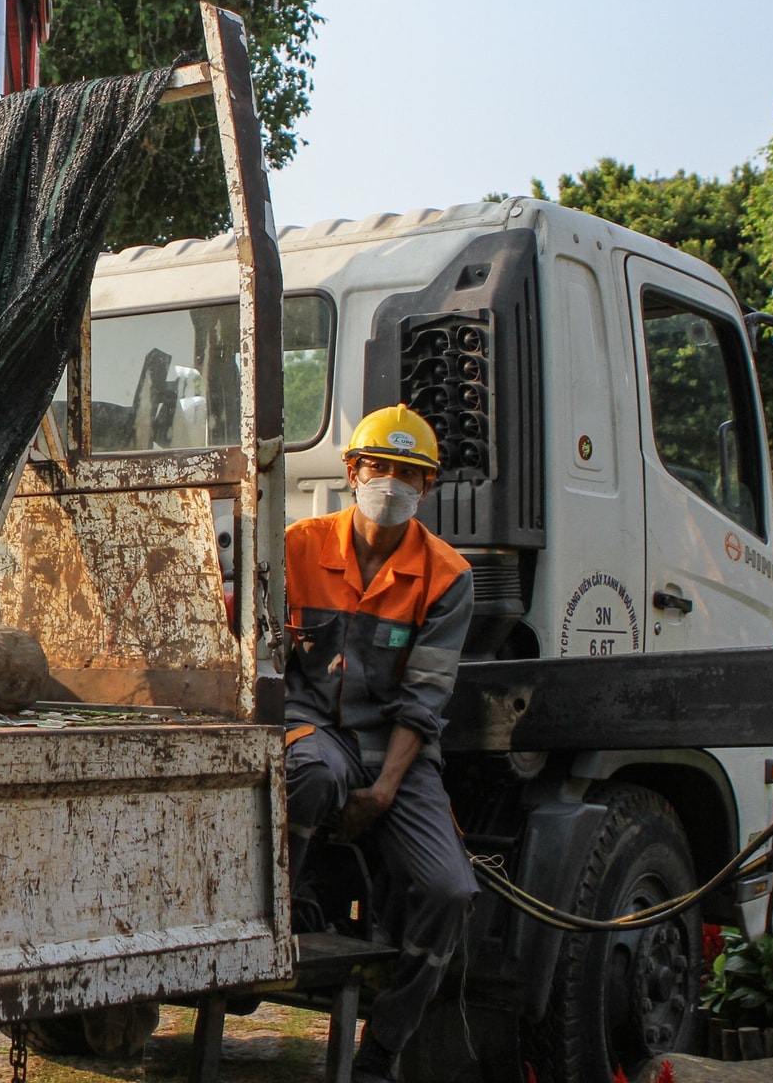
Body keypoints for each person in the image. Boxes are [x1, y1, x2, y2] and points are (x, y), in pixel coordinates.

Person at [284, 404, 477, 1083]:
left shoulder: (446, 576)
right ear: (352, 471)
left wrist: (388, 789)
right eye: (380, 468)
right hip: (313, 730)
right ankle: (277, 912)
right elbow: (260, 656)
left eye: (408, 474)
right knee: (310, 770)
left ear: (427, 488)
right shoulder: (298, 546)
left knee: (450, 889)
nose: (390, 484)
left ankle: (382, 1051)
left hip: (394, 753)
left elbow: (426, 700)